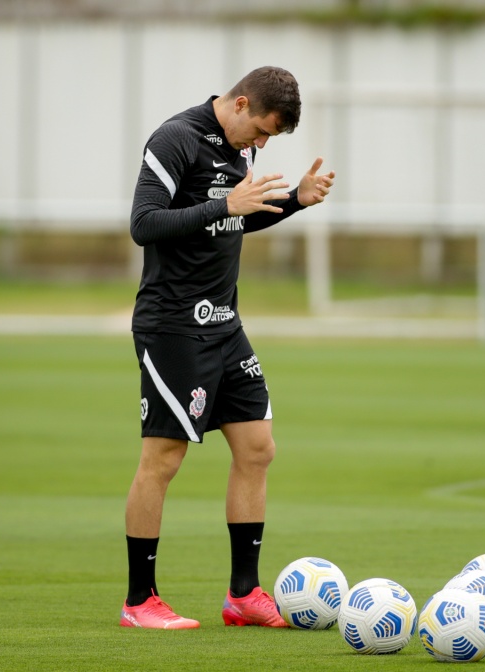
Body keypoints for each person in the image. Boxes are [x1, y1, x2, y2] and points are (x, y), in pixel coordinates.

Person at [120, 66, 334, 629]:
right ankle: (140, 601)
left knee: (258, 448)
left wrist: (294, 202)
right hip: (171, 325)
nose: (261, 145)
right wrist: (224, 206)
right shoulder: (175, 139)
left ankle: (243, 594)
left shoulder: (241, 147)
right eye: (261, 132)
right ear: (240, 104)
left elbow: (233, 221)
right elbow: (144, 224)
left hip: (224, 323)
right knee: (162, 460)